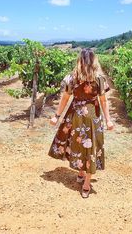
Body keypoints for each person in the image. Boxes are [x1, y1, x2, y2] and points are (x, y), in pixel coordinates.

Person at [48, 48, 114, 198]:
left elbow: (65, 98)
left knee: (79, 144)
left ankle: (84, 178)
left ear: (80, 60)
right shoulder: (99, 78)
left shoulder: (72, 77)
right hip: (92, 115)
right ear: (94, 60)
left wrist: (57, 116)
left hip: (76, 114)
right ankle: (84, 178)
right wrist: (108, 120)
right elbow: (103, 101)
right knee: (90, 146)